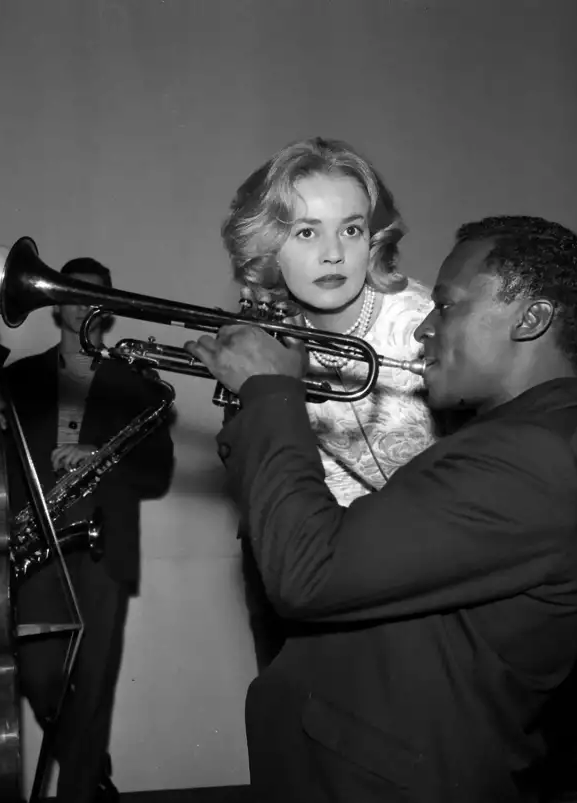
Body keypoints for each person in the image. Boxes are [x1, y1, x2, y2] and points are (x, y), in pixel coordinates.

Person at [185, 215, 577, 802]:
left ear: (532, 318)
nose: (424, 329)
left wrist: (271, 393)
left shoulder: (533, 457)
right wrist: (252, 405)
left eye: (447, 307)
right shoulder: (524, 439)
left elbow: (307, 573)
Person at [0, 257, 174, 803]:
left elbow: (158, 474)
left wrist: (100, 457)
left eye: (97, 296)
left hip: (106, 549)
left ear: (111, 309)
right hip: (38, 545)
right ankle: (90, 768)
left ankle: (79, 791)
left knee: (95, 683)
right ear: (55, 305)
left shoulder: (139, 383)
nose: (85, 304)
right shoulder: (22, 376)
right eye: (72, 294)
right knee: (38, 676)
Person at [220, 137, 440, 669]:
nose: (333, 253)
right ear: (268, 246)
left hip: (420, 576)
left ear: (374, 237)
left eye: (351, 228)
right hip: (307, 571)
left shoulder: (426, 326)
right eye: (305, 231)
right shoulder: (262, 333)